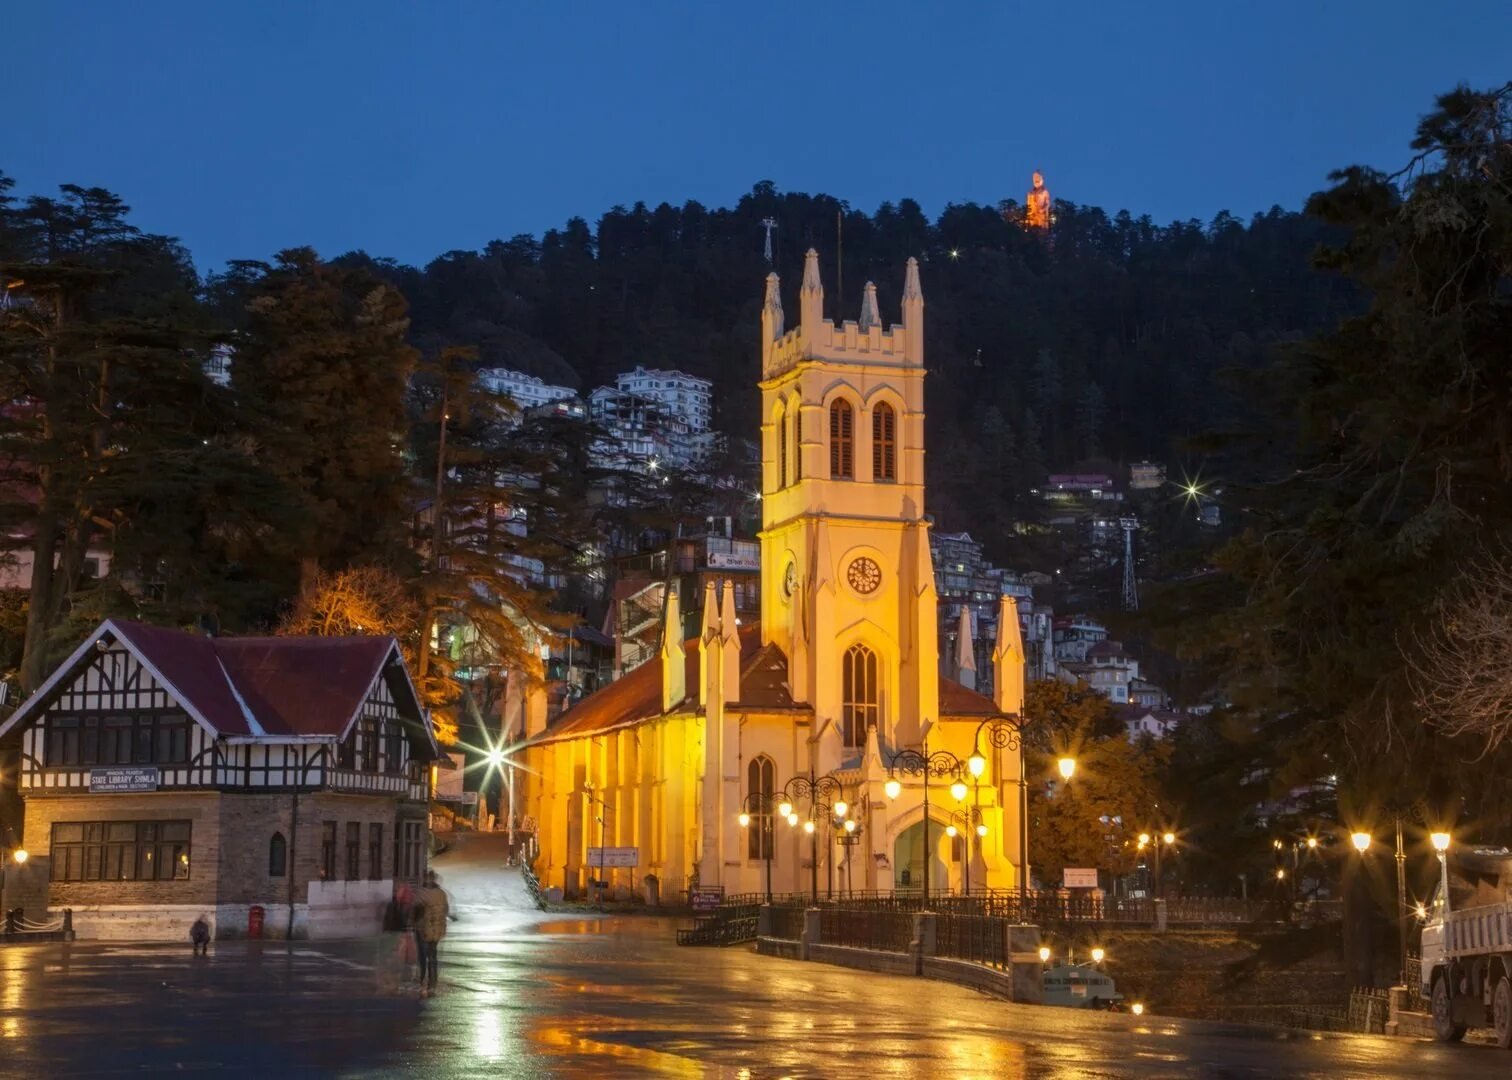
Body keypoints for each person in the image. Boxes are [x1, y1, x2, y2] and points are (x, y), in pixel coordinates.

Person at [412, 870, 450, 998]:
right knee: (433, 956)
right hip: (437, 930)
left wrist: (412, 923)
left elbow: (414, 911)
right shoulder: (442, 894)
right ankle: (432, 983)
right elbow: (446, 910)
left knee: (422, 956)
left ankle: (422, 979)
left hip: (423, 929)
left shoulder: (421, 894)